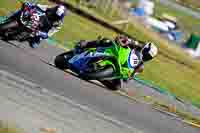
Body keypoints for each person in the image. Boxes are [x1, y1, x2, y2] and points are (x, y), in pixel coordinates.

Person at [76, 34, 158, 90]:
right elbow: (123, 38)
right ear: (145, 48)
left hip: (120, 68)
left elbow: (130, 78)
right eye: (147, 54)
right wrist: (123, 40)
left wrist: (128, 77)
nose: (147, 57)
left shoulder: (140, 66)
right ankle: (85, 44)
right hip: (116, 52)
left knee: (117, 86)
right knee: (106, 41)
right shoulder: (136, 44)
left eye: (149, 57)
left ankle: (99, 76)